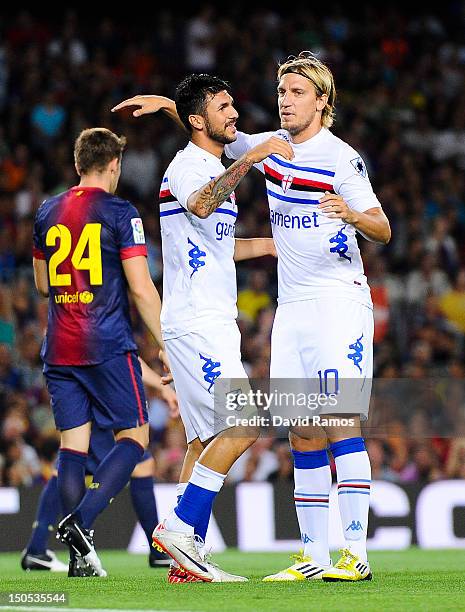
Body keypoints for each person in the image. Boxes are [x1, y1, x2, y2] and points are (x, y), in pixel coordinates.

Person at [113, 51, 391, 583]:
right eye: (282, 92)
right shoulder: (272, 149)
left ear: (323, 101)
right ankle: (313, 556)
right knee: (302, 432)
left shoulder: (341, 158)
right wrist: (173, 105)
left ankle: (354, 553)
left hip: (338, 300)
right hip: (291, 309)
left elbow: (382, 229)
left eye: (296, 93)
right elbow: (215, 131)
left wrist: (351, 214)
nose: (284, 101)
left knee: (337, 420)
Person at [113, 73, 293, 583]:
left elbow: (218, 244)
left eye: (234, 103)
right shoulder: (191, 167)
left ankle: (184, 559)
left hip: (208, 320)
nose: (234, 113)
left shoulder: (208, 164)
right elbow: (201, 203)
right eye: (224, 106)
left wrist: (273, 247)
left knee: (200, 441)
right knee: (243, 427)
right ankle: (180, 526)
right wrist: (251, 160)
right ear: (198, 121)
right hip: (198, 322)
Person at [32, 127, 170, 577]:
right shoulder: (120, 211)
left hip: (59, 346)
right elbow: (141, 288)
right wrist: (167, 344)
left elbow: (41, 284)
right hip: (107, 342)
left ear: (77, 165)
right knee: (135, 438)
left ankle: (79, 559)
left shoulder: (47, 210)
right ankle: (82, 522)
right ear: (113, 166)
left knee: (73, 448)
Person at [20, 362, 178, 573]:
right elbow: (123, 353)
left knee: (71, 456)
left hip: (66, 369)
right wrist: (162, 386)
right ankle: (72, 530)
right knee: (135, 457)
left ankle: (38, 548)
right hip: (99, 388)